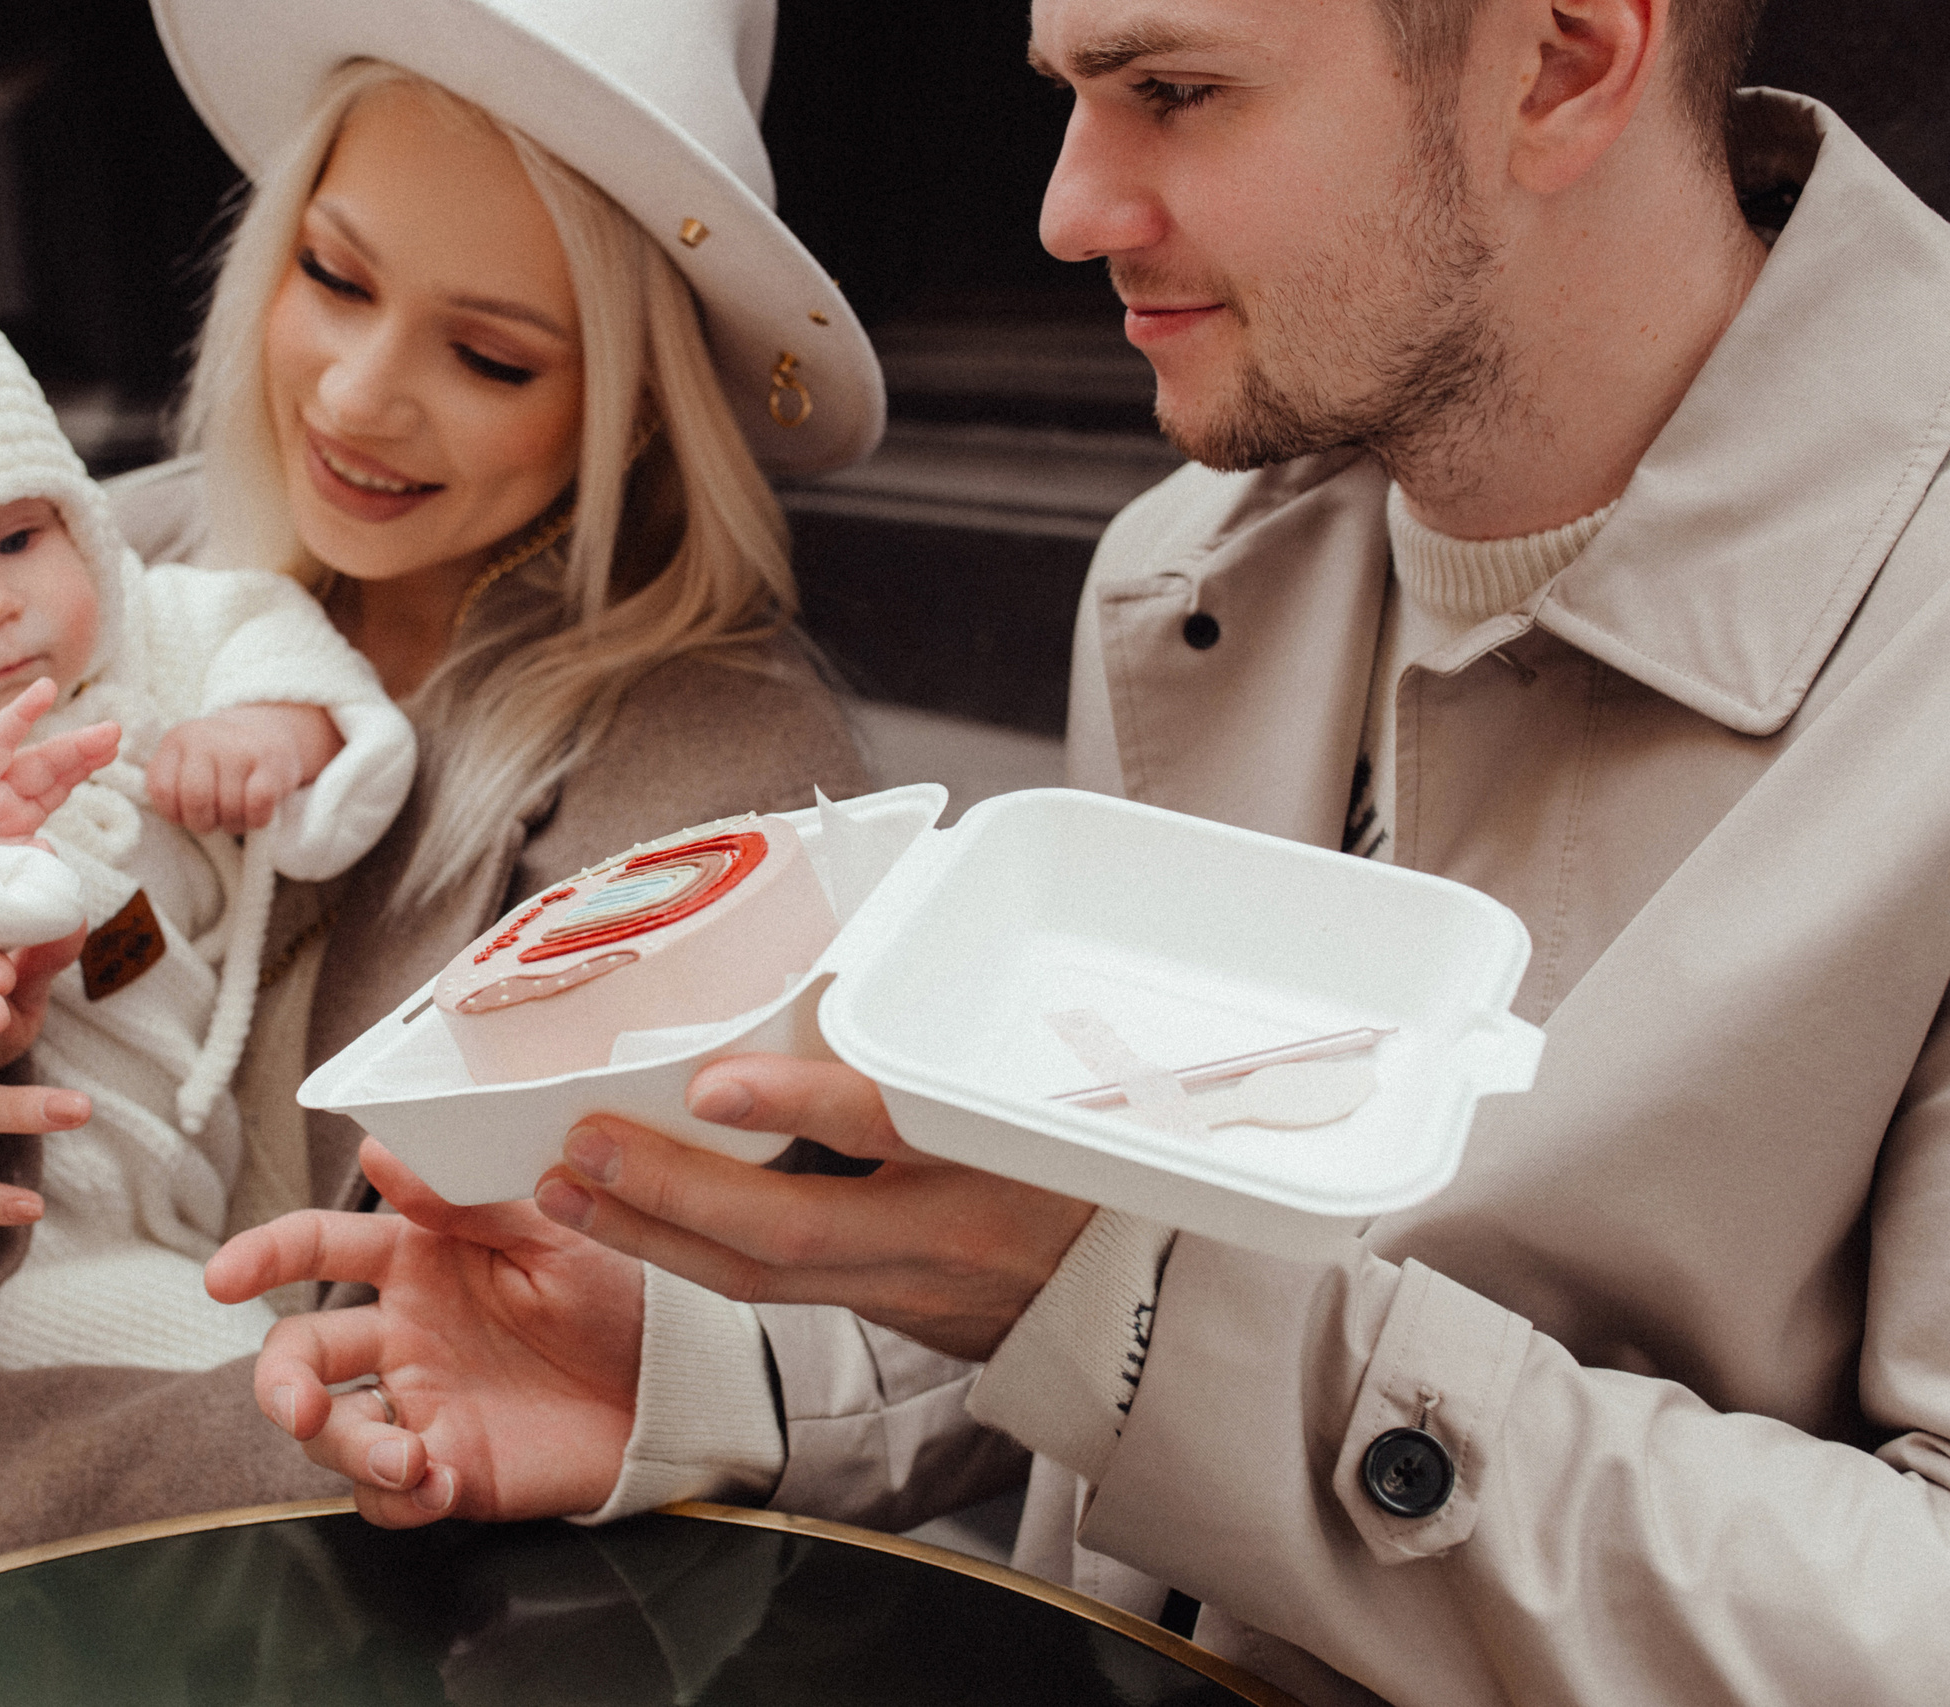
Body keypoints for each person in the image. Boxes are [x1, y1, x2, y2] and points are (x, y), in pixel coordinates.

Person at [219, 1, 1950, 1702]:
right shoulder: (1185, 573)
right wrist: (717, 1375)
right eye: (1067, 90)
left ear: (1566, 60)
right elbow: (1120, 1304)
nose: (1064, 208)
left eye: (1176, 91)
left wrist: (1131, 1316)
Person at [0, 0, 878, 1655]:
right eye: (332, 274)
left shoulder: (720, 774)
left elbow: (520, 1375)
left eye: (490, 355)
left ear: (641, 398)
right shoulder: (60, 549)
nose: (361, 397)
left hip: (236, 1615)